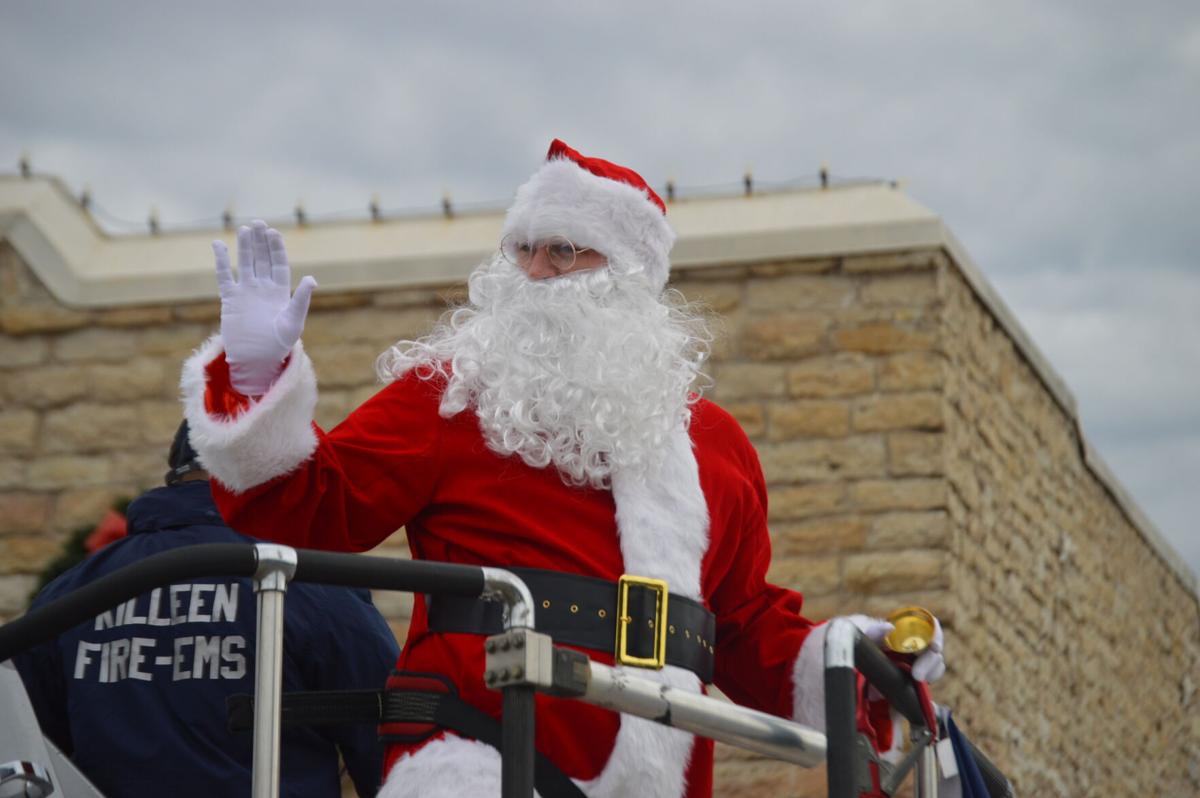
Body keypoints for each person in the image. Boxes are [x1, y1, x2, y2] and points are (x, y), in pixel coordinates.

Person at [180, 139, 946, 798]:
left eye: (565, 251)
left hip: (657, 768)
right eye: (524, 249)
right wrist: (255, 382)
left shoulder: (717, 446)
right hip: (476, 743)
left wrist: (851, 660)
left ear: (629, 275)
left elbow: (742, 627)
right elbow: (307, 507)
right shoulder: (451, 394)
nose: (536, 273)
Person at [14, 421, 400, 798]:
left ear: (177, 475)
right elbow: (393, 747)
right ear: (277, 475)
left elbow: (27, 746)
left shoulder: (70, 593)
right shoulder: (308, 585)